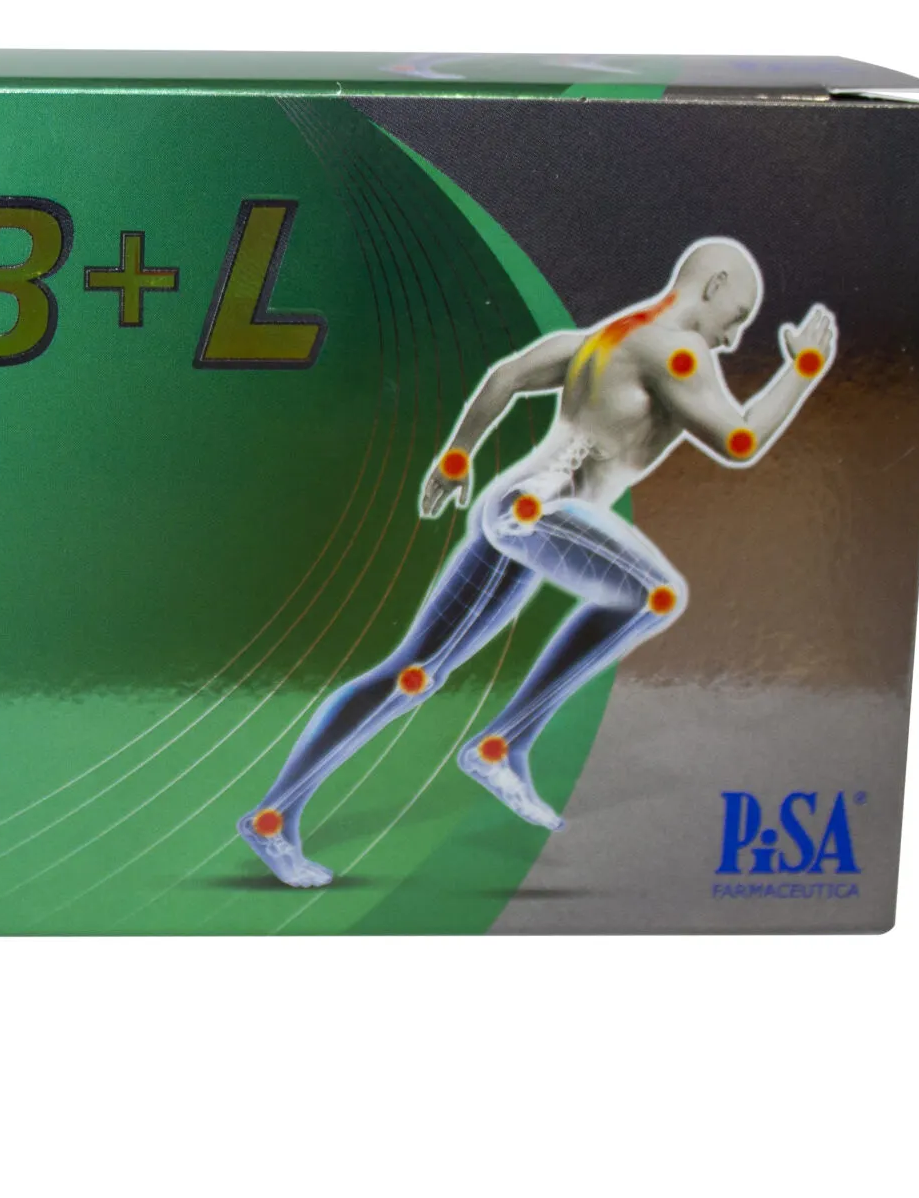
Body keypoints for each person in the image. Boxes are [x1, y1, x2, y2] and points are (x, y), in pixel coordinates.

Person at [238, 238, 835, 888]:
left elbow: (506, 377)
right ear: (713, 285)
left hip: (517, 514)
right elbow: (740, 439)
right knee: (656, 594)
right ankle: (501, 744)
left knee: (416, 673)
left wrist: (458, 457)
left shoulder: (601, 340)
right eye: (737, 316)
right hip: (538, 515)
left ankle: (272, 818)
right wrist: (804, 367)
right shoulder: (675, 350)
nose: (731, 338)